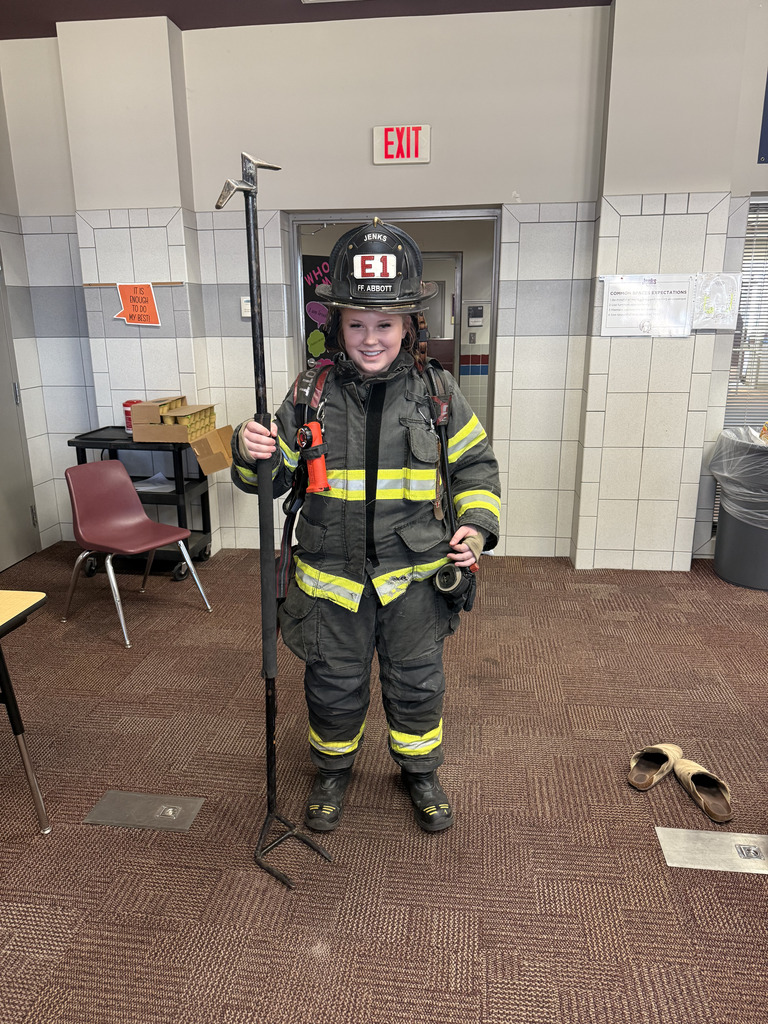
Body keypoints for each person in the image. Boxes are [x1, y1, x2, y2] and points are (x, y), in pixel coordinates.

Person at [231, 218, 501, 834]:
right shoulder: (307, 395)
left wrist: (477, 529)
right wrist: (250, 453)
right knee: (333, 686)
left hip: (415, 579)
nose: (371, 338)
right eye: (357, 324)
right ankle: (332, 771)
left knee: (416, 685)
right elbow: (266, 484)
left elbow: (476, 468)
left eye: (385, 324)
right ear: (337, 325)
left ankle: (419, 772)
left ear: (408, 326)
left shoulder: (438, 393)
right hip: (330, 578)